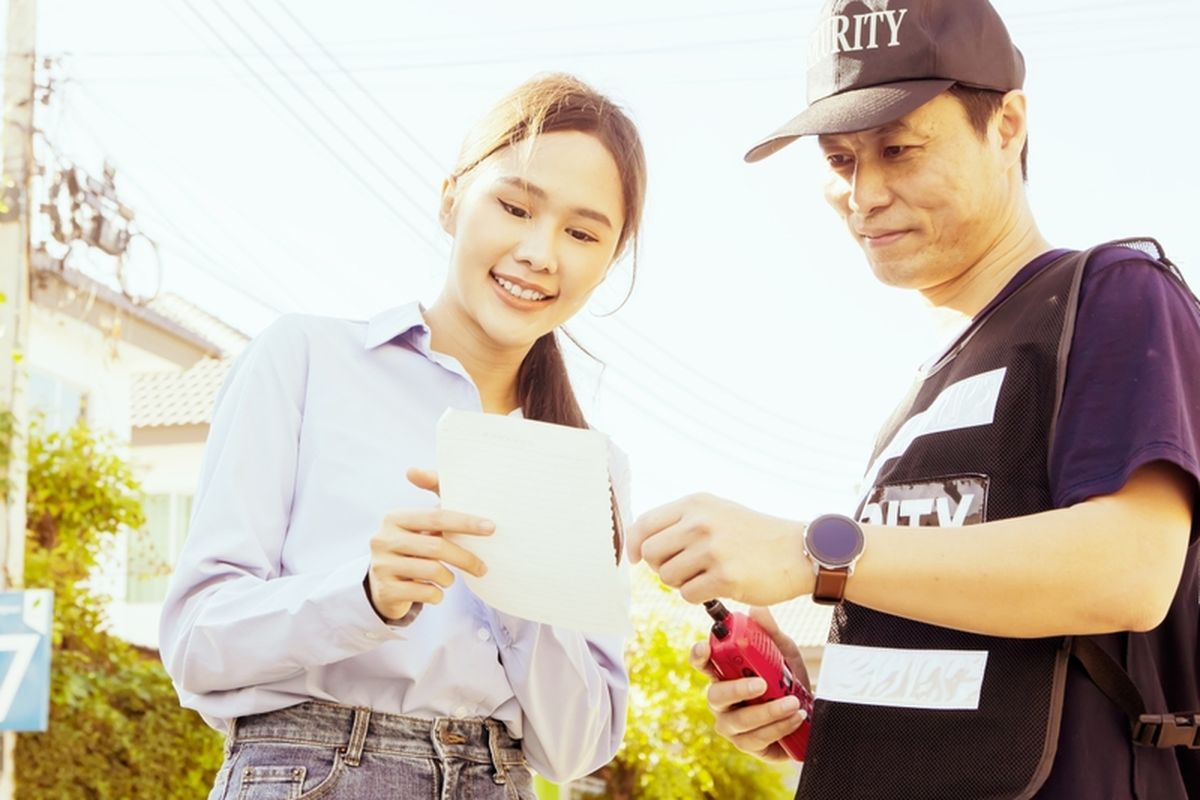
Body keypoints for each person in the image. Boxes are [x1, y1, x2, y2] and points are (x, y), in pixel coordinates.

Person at [627, 1, 1199, 798]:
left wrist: (810, 554)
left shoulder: (1113, 296)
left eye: (899, 149)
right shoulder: (922, 396)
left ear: (1007, 126)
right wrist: (822, 709)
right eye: (839, 162)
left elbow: (1128, 571)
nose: (864, 194)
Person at [159, 73, 647, 800]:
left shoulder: (590, 466)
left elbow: (577, 748)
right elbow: (197, 643)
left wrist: (516, 585)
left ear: (608, 262)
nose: (541, 253)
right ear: (452, 198)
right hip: (314, 771)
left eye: (582, 233)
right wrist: (364, 594)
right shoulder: (304, 358)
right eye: (515, 206)